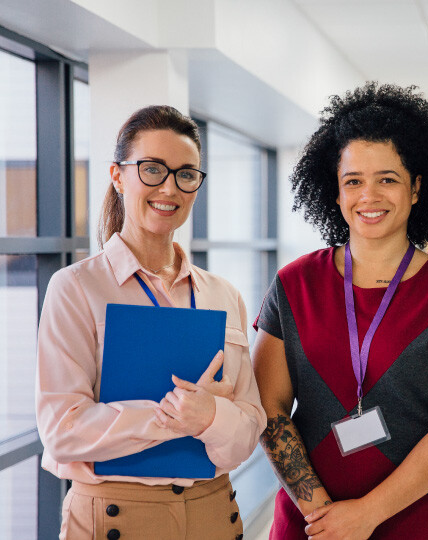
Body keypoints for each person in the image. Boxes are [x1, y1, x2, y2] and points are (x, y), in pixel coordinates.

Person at [251, 82, 428, 539]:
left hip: (416, 519)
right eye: (353, 181)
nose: (369, 195)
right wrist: (322, 514)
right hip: (310, 524)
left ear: (417, 187)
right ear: (336, 192)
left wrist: (366, 514)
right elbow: (269, 406)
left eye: (388, 179)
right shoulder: (294, 284)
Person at [36, 105, 267, 540]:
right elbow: (61, 431)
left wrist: (213, 416)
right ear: (118, 176)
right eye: (152, 169)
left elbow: (250, 428)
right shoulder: (76, 288)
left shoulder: (223, 294)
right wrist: (177, 417)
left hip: (214, 511)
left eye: (186, 174)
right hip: (115, 516)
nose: (170, 187)